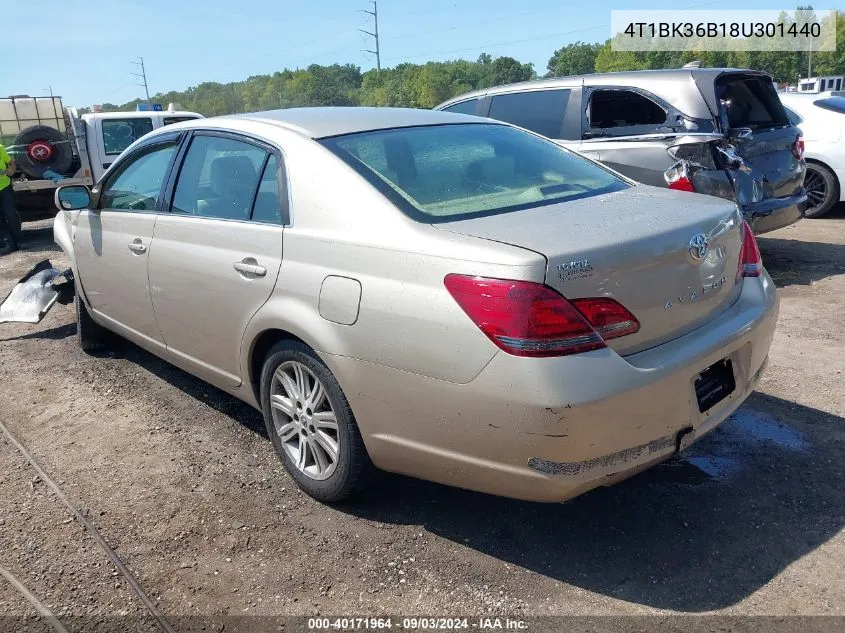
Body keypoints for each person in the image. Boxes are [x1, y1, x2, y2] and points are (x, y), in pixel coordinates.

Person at [0, 143, 19, 255]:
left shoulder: (0, 148)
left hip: (5, 186)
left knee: (10, 213)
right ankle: (9, 243)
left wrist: (10, 171)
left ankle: (16, 239)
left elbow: (11, 163)